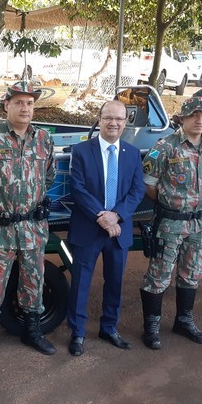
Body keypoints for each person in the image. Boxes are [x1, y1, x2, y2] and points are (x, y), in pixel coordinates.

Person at [0, 80, 56, 362]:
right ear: (6, 105)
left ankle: (33, 331)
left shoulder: (44, 139)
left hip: (33, 226)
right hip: (1, 227)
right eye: (18, 102)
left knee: (33, 280)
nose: (25, 108)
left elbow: (49, 176)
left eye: (29, 103)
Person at [139, 95, 202, 350]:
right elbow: (149, 184)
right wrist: (172, 204)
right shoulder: (165, 147)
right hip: (170, 224)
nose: (200, 120)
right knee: (158, 275)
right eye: (194, 115)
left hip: (199, 224)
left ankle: (184, 321)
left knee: (192, 273)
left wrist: (196, 203)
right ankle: (151, 326)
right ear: (182, 118)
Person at [67, 100, 146, 355]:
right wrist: (102, 217)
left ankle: (109, 328)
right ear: (99, 120)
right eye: (108, 118)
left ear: (125, 122)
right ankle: (77, 332)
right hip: (88, 228)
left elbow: (137, 190)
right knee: (81, 283)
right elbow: (78, 188)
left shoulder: (132, 153)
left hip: (118, 230)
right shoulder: (81, 151)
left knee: (115, 282)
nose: (114, 123)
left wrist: (117, 216)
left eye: (119, 119)